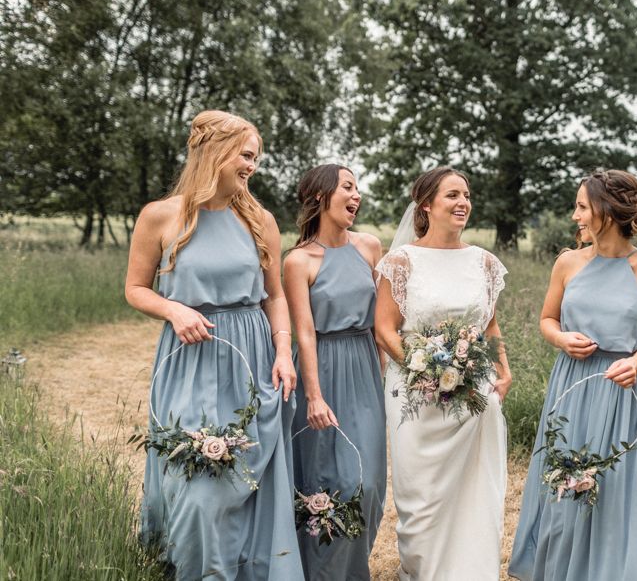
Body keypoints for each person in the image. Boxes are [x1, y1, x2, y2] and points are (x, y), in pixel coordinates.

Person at [125, 109, 304, 580]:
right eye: (246, 155)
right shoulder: (161, 216)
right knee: (198, 485)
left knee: (246, 480)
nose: (252, 166)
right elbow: (136, 288)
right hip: (190, 360)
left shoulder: (260, 220)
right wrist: (174, 309)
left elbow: (275, 295)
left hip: (251, 359)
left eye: (256, 158)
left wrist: (284, 352)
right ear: (213, 151)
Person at [508, 169, 637, 581]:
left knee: (615, 492)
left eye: (581, 206)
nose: (575, 215)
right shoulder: (567, 263)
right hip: (571, 386)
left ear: (606, 210)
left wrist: (636, 362)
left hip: (621, 393)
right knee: (564, 485)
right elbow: (547, 319)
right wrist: (561, 338)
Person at [374, 166, 511, 581]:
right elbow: (384, 327)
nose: (463, 203)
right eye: (452, 195)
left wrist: (504, 370)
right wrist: (422, 370)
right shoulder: (401, 262)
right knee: (422, 494)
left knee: (475, 490)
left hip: (473, 394)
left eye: (466, 195)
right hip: (416, 395)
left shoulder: (484, 263)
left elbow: (489, 326)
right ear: (426, 205)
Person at [283, 164, 387, 581]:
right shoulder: (298, 260)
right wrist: (313, 395)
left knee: (371, 484)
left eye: (357, 188)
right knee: (328, 484)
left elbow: (382, 322)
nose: (356, 195)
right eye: (347, 187)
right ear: (320, 197)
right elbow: (304, 334)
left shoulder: (369, 248)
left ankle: (353, 569)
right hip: (321, 368)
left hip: (365, 368)